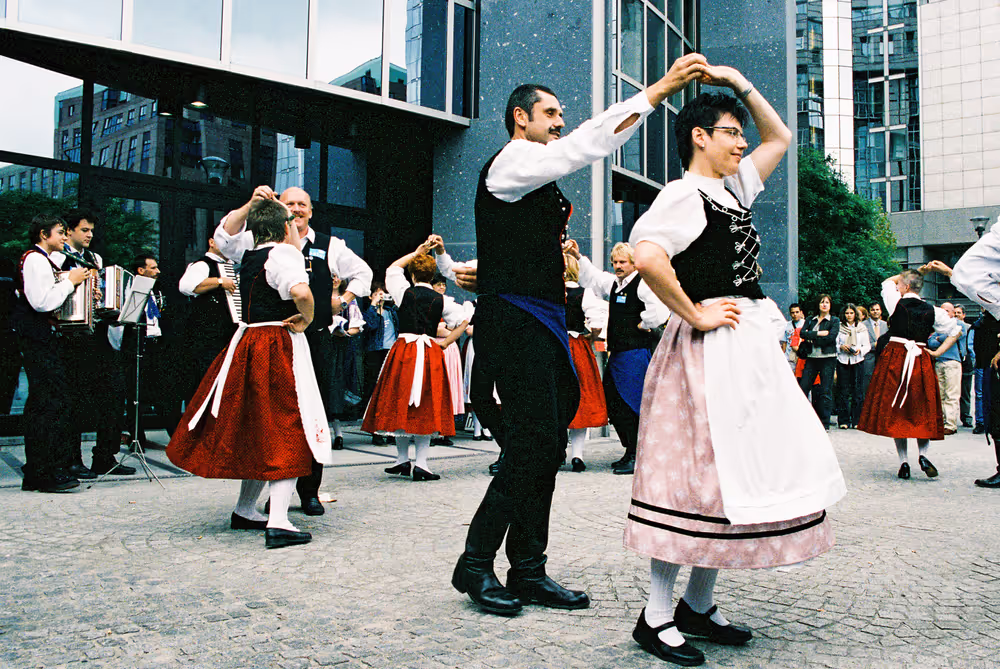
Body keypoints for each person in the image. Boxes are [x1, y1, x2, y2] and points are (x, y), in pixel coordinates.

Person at [453, 53, 712, 618]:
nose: (559, 121)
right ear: (520, 118)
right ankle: (475, 563)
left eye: (560, 114)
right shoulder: (513, 160)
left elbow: (514, 240)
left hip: (539, 317)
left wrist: (487, 268)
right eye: (550, 113)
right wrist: (658, 90)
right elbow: (586, 144)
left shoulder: (529, 172)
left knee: (545, 446)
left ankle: (527, 568)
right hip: (517, 320)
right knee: (532, 445)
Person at [624, 68, 846, 667]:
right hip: (706, 351)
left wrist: (740, 83)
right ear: (699, 137)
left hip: (741, 346)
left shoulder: (732, 189)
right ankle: (656, 614)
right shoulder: (683, 194)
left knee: (734, 476)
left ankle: (696, 604)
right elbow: (648, 255)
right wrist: (694, 312)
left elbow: (780, 138)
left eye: (740, 134)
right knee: (694, 478)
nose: (742, 142)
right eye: (730, 132)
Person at [167, 198, 331, 549]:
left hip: (249, 342)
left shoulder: (250, 256)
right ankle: (279, 521)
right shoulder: (284, 254)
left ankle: (245, 509)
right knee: (288, 425)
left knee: (260, 428)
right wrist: (308, 317)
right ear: (285, 227)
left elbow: (224, 237)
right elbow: (300, 291)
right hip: (278, 343)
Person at [216, 185, 372, 516]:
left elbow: (364, 273)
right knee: (278, 416)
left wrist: (341, 301)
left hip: (315, 339)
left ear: (311, 211)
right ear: (278, 208)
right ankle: (276, 496)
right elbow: (224, 240)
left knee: (314, 413)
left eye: (302, 204)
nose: (296, 209)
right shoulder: (259, 241)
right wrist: (250, 205)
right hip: (277, 340)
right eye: (289, 204)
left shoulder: (330, 245)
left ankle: (309, 491)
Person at [362, 239, 469, 481]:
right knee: (426, 405)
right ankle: (421, 464)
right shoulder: (442, 300)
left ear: (411, 274)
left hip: (404, 350)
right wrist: (446, 342)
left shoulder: (403, 291)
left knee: (400, 401)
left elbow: (392, 269)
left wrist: (415, 253)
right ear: (432, 276)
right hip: (430, 351)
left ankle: (402, 460)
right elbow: (464, 320)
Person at [569, 241, 669, 475]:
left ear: (633, 263)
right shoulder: (615, 283)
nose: (618, 266)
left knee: (631, 404)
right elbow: (594, 277)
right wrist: (578, 256)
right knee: (614, 403)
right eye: (615, 262)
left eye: (622, 262)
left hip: (634, 353)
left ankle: (636, 454)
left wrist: (645, 324)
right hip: (618, 354)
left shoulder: (642, 284)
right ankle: (629, 450)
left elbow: (659, 310)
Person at [12, 215, 92, 492]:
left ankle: (39, 470)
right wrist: (70, 282)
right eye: (60, 232)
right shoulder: (35, 259)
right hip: (38, 338)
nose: (64, 237)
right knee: (48, 403)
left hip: (40, 338)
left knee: (45, 403)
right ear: (44, 235)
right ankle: (44, 472)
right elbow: (42, 302)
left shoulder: (41, 259)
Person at [54, 209, 136, 478]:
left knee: (114, 392)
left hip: (98, 330)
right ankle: (71, 459)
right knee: (76, 398)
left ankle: (105, 455)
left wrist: (103, 298)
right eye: (84, 230)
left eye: (91, 230)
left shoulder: (94, 258)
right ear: (69, 231)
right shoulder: (57, 257)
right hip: (72, 333)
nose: (90, 235)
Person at [858, 268, 960, 479]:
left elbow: (887, 281)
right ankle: (923, 455)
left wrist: (916, 271)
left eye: (900, 285)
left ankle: (903, 462)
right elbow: (955, 331)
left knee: (898, 409)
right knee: (921, 407)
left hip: (896, 357)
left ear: (904, 286)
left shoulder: (896, 302)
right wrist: (937, 352)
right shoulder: (934, 310)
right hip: (920, 357)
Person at [926, 239, 1000, 487]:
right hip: (988, 364)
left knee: (997, 415)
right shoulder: (992, 302)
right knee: (995, 416)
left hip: (994, 364)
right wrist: (949, 272)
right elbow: (972, 285)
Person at [176, 236, 239, 416]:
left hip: (227, 335)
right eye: (224, 241)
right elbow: (186, 286)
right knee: (205, 382)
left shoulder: (234, 266)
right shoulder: (202, 265)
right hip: (207, 338)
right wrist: (219, 281)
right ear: (211, 242)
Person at [563, 252, 608, 472]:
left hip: (554, 345)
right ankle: (577, 456)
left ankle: (556, 452)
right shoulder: (584, 293)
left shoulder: (548, 293)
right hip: (577, 347)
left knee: (555, 399)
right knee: (580, 397)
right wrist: (591, 336)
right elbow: (597, 320)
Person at [120, 254, 167, 450]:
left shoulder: (156, 290)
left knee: (160, 391)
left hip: (155, 343)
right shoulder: (131, 289)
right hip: (138, 343)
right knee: (135, 392)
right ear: (141, 270)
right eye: (153, 268)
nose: (158, 271)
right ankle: (136, 437)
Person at [327, 278, 365, 449]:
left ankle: (338, 434)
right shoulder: (321, 297)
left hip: (342, 348)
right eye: (332, 275)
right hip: (324, 346)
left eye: (338, 276)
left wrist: (345, 332)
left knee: (338, 387)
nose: (335, 279)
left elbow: (356, 326)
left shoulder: (349, 300)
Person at [362, 281, 399, 445]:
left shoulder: (392, 312)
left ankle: (391, 430)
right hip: (375, 353)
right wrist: (373, 305)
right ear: (370, 296)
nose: (381, 296)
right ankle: (375, 430)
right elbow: (369, 325)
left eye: (383, 293)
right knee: (375, 391)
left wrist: (396, 302)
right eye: (377, 293)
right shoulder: (368, 312)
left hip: (392, 352)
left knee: (392, 391)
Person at [431, 273, 465, 446]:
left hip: (449, 348)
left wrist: (447, 330)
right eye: (438, 284)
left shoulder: (451, 304)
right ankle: (432, 430)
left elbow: (461, 325)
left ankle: (444, 430)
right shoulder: (429, 303)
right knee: (434, 388)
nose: (441, 287)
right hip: (434, 345)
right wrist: (446, 329)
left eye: (443, 284)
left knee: (449, 387)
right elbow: (431, 328)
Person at [798, 295, 840, 429]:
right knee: (803, 387)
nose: (824, 305)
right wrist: (820, 334)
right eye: (822, 302)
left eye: (827, 302)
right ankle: (801, 419)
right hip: (811, 357)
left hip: (828, 358)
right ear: (818, 304)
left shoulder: (834, 320)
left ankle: (825, 423)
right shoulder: (810, 319)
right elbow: (802, 334)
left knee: (825, 390)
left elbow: (831, 338)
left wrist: (812, 337)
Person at [928, 301, 963, 435]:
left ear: (953, 313)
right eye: (941, 310)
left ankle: (950, 424)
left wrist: (939, 338)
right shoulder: (938, 326)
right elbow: (931, 342)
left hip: (952, 362)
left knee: (951, 394)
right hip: (939, 362)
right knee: (940, 394)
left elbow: (952, 336)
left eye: (947, 311)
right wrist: (942, 337)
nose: (943, 313)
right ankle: (942, 421)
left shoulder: (958, 324)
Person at [834, 304, 870, 429]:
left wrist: (860, 350)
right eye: (847, 313)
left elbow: (867, 345)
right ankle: (843, 420)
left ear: (855, 314)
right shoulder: (839, 327)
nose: (849, 315)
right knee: (843, 390)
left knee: (857, 391)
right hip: (843, 360)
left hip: (857, 360)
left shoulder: (862, 328)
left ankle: (857, 420)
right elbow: (835, 344)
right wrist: (841, 347)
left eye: (851, 313)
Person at [861, 301, 888, 396]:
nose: (875, 312)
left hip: (883, 358)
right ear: (869, 312)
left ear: (881, 311)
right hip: (868, 359)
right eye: (872, 310)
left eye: (877, 309)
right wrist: (875, 345)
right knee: (867, 386)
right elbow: (861, 344)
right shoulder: (862, 325)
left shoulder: (886, 325)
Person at [955, 305, 975, 428]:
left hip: (966, 364)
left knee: (965, 392)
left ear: (964, 315)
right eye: (955, 312)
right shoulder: (948, 327)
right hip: (953, 361)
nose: (956, 315)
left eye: (959, 312)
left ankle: (966, 417)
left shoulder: (969, 328)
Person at [782, 303, 805, 372]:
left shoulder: (805, 324)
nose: (795, 314)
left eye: (797, 312)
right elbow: (784, 342)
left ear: (801, 312)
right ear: (790, 313)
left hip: (801, 356)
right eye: (793, 312)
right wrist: (783, 355)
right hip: (789, 356)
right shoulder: (786, 325)